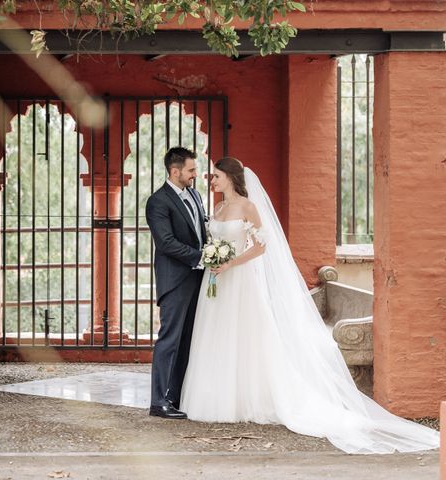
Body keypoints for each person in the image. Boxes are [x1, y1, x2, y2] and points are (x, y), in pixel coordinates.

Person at [180, 157, 440, 454]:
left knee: (246, 336)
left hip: (240, 281)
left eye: (215, 176)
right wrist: (214, 261)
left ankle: (250, 397)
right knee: (217, 334)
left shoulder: (247, 206)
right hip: (217, 282)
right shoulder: (219, 208)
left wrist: (230, 264)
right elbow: (214, 241)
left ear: (229, 177)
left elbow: (261, 246)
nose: (211, 180)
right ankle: (216, 396)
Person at [145, 147, 207, 419]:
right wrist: (201, 256)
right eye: (191, 170)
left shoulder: (194, 194)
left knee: (188, 341)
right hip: (175, 279)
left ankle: (177, 397)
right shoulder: (158, 202)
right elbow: (166, 243)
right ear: (175, 171)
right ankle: (158, 402)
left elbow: (201, 229)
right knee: (169, 340)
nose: (196, 174)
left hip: (199, 277)